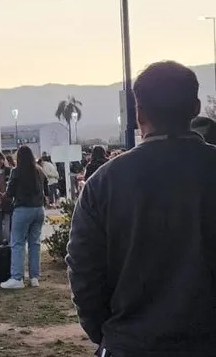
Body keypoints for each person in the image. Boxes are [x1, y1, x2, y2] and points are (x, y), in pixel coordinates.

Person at [68, 61, 216, 356]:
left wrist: (110, 334)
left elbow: (84, 273)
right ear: (196, 107)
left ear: (139, 113)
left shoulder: (104, 182)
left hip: (131, 342)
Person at [0, 146, 48, 290]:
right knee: (35, 244)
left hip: (23, 209)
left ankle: (17, 277)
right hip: (39, 210)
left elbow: (10, 193)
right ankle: (34, 277)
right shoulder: (39, 171)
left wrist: (2, 196)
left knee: (18, 243)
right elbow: (46, 189)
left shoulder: (16, 171)